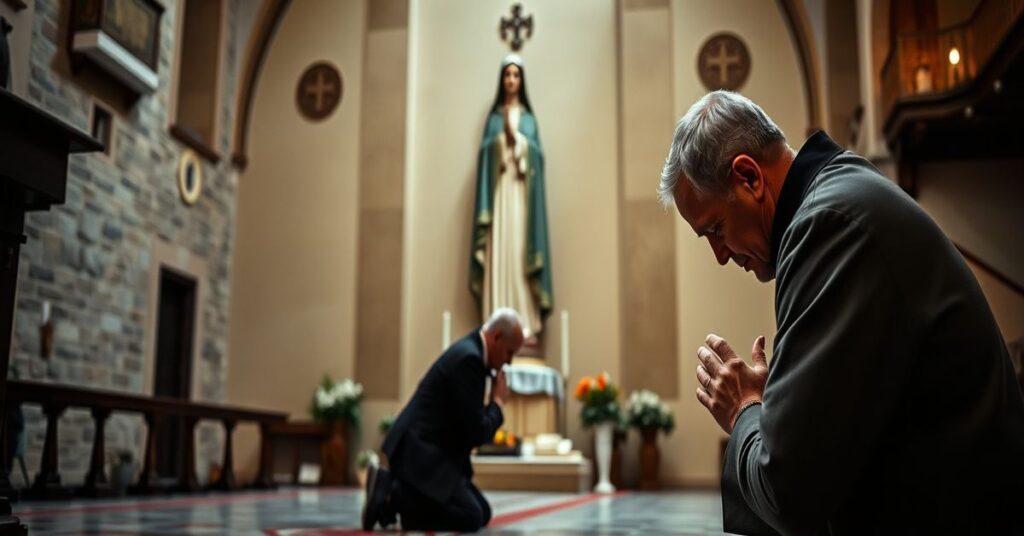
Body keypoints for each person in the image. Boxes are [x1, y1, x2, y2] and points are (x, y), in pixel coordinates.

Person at [659, 90, 1024, 535]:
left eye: (715, 228)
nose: (719, 254)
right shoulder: (840, 195)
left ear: (749, 177)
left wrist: (745, 411)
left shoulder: (827, 224)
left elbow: (788, 490)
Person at [361, 308, 524, 532]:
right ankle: (392, 495)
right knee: (470, 516)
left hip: (432, 452)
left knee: (482, 512)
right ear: (496, 337)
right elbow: (476, 433)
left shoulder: (473, 353)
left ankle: (399, 497)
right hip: (419, 454)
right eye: (509, 352)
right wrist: (497, 404)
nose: (509, 362)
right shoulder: (470, 359)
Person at [469, 54, 553, 344]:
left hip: (520, 200)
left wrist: (517, 141)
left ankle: (524, 323)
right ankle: (496, 325)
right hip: (498, 197)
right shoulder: (493, 119)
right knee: (499, 253)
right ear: (502, 80)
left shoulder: (529, 120)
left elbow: (537, 158)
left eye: (516, 75)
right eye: (507, 75)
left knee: (519, 254)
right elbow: (484, 159)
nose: (512, 80)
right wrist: (501, 141)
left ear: (521, 81)